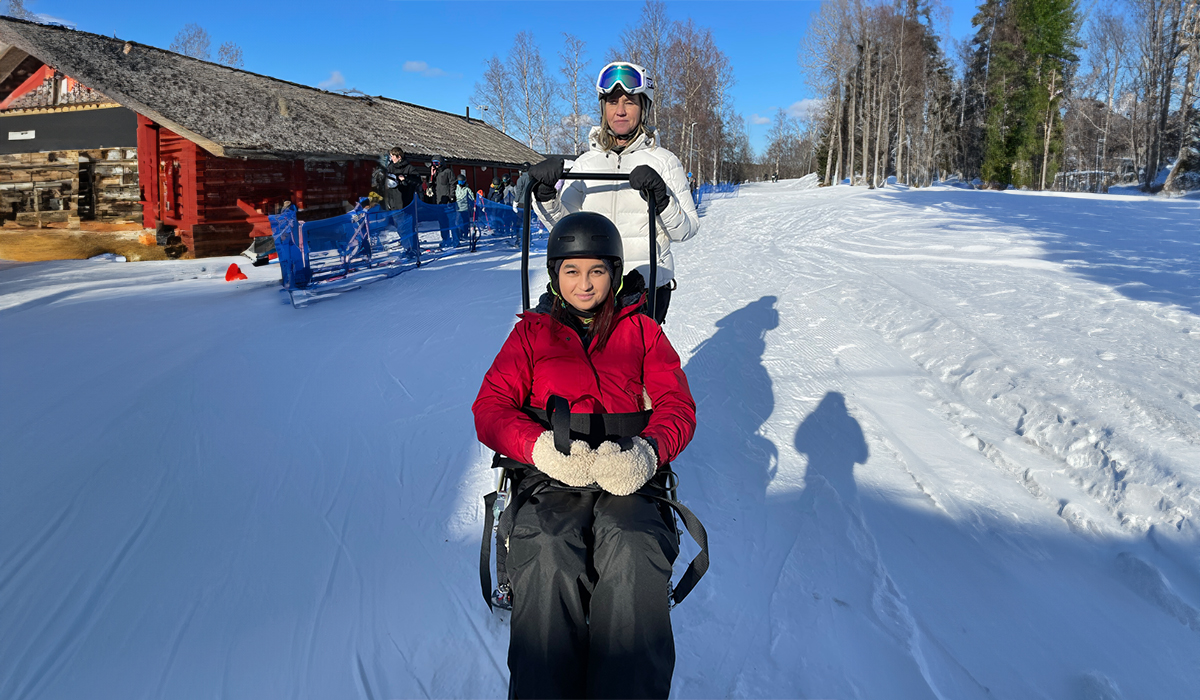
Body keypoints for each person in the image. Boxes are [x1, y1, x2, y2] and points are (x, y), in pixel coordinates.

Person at [473, 211, 696, 699]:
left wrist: (647, 452)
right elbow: (490, 409)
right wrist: (536, 448)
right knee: (549, 547)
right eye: (571, 271)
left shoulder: (642, 333)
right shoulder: (531, 335)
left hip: (625, 472)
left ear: (614, 275)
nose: (584, 284)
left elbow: (678, 405)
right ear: (554, 276)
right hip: (553, 474)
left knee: (633, 543)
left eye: (596, 271)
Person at [528, 61, 699, 325]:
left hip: (646, 288)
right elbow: (564, 229)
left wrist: (662, 199)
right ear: (602, 108)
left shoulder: (664, 162)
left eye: (629, 102)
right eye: (611, 102)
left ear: (644, 107)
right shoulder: (586, 163)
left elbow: (686, 230)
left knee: (636, 364)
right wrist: (546, 195)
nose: (619, 111)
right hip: (596, 288)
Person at [453, 173, 472, 247]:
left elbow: (471, 197)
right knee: (458, 222)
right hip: (458, 208)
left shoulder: (467, 189)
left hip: (466, 208)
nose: (461, 184)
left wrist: (472, 204)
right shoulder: (456, 189)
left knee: (465, 222)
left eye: (462, 182)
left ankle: (465, 234)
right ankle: (459, 235)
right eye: (459, 182)